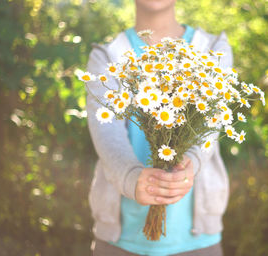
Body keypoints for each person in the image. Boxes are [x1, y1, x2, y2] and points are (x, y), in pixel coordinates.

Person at [86, 0, 233, 255]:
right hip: (119, 243)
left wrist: (191, 163)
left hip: (198, 242)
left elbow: (210, 126)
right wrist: (131, 177)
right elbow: (106, 134)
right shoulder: (108, 56)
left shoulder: (211, 50)